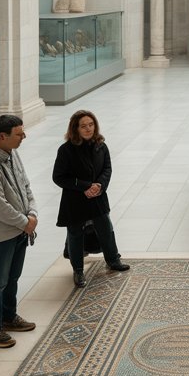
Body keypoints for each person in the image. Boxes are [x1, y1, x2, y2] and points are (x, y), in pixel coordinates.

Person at [0, 114, 38, 348]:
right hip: (2, 236)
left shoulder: (12, 155)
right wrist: (25, 222)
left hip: (20, 230)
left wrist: (32, 213)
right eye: (19, 134)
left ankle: (9, 317)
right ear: (2, 136)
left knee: (13, 278)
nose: (24, 136)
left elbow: (25, 185)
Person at [53, 109, 130, 287]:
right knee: (75, 235)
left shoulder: (101, 146)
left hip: (97, 197)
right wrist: (85, 186)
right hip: (75, 200)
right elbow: (58, 177)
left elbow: (107, 169)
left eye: (91, 125)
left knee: (106, 229)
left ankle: (113, 260)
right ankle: (78, 271)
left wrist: (99, 186)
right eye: (83, 126)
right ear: (75, 129)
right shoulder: (66, 150)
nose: (88, 129)